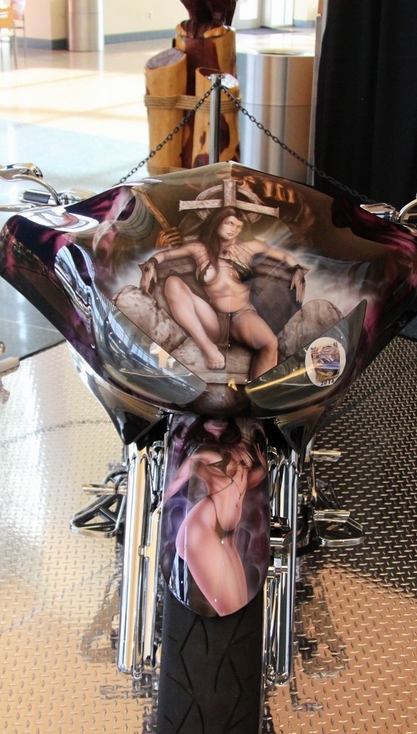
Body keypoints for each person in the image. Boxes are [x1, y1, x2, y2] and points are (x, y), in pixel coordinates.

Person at [139, 206, 307, 379]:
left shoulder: (251, 247)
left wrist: (298, 270)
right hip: (212, 318)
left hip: (242, 315)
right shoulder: (199, 249)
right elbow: (167, 255)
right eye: (229, 223)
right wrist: (151, 263)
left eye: (238, 226)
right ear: (218, 223)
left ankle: (259, 392)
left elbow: (284, 256)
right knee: (173, 283)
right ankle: (207, 348)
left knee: (270, 344)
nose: (234, 229)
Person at [164, 420, 267, 616]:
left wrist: (262, 467)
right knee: (231, 608)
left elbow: (247, 483)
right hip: (202, 528)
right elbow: (180, 478)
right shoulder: (205, 455)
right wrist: (162, 499)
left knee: (240, 605)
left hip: (227, 535)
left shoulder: (239, 455)